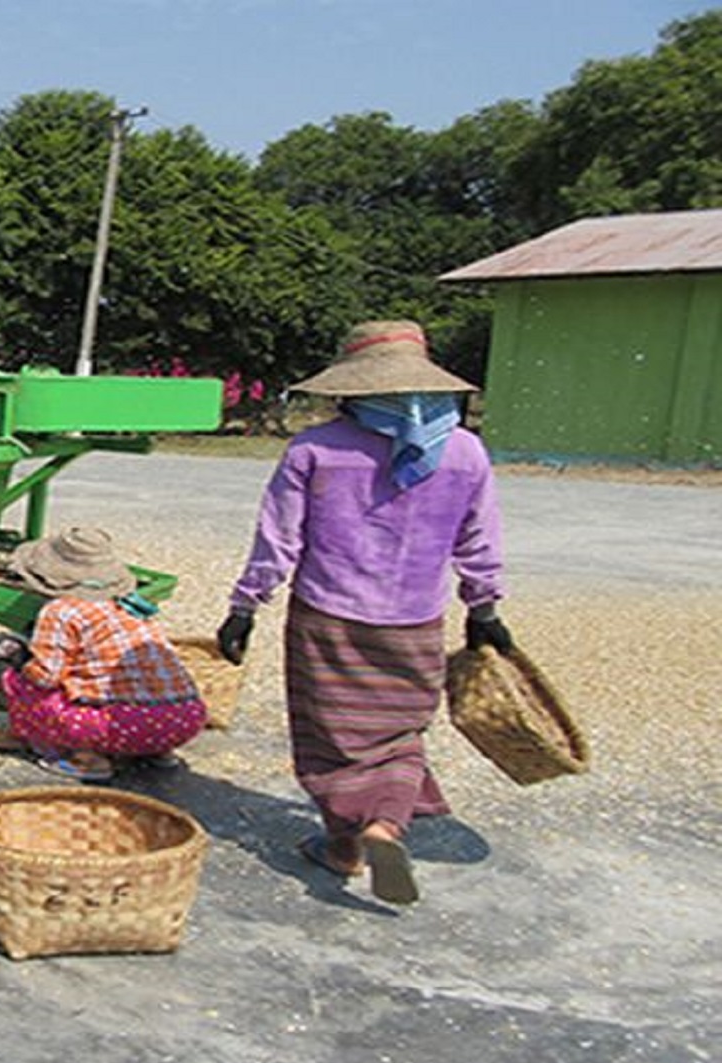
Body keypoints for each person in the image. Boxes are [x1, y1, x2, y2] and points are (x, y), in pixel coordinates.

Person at [217, 319, 515, 906]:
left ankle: (347, 842)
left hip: (329, 618)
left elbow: (279, 540)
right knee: (399, 735)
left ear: (350, 387)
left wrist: (245, 607)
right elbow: (480, 540)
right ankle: (381, 830)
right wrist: (484, 609)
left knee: (332, 736)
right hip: (415, 622)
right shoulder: (465, 452)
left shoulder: (316, 449)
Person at [0, 526, 208, 782]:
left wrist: (17, 657)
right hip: (185, 720)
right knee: (134, 693)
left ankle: (89, 760)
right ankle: (159, 754)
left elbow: (45, 677)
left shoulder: (62, 610)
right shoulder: (130, 605)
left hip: (123, 727)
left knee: (18, 682)